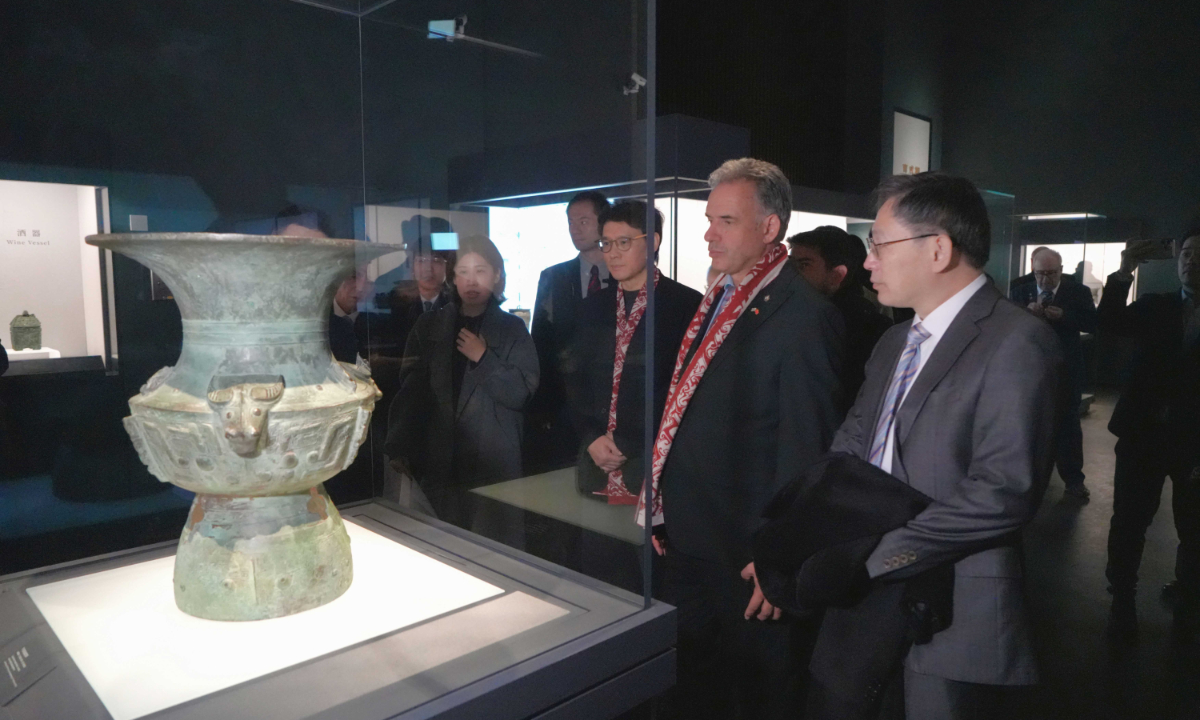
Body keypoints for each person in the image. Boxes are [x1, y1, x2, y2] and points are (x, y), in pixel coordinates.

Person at [817, 172, 1061, 718]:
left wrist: (874, 556)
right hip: (864, 593)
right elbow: (853, 443)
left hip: (950, 606)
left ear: (938, 250)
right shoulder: (893, 340)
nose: (868, 262)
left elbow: (1003, 493)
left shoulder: (1017, 341)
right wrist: (812, 537)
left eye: (879, 244)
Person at [640, 158, 844, 720]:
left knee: (756, 695)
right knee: (690, 687)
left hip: (746, 559)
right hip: (689, 538)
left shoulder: (803, 315)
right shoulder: (724, 297)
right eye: (710, 219)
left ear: (770, 228)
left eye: (725, 220)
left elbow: (807, 449)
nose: (709, 233)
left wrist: (780, 557)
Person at [386, 235, 539, 530]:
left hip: (491, 457)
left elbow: (520, 393)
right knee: (439, 542)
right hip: (439, 454)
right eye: (464, 272)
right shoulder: (430, 324)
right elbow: (410, 391)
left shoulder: (512, 329)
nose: (472, 281)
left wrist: (483, 358)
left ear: (496, 276)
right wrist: (399, 445)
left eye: (481, 271)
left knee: (491, 544)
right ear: (453, 278)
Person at [1100, 235, 1200, 645]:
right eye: (1188, 252)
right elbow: (1108, 323)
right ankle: (1122, 601)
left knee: (1194, 527)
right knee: (1128, 522)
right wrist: (1123, 274)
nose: (1191, 261)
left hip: (1194, 442)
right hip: (1143, 435)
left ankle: (1188, 600)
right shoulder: (1157, 304)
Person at [568, 200, 702, 504]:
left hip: (654, 463)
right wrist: (590, 438)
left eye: (624, 242)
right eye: (606, 243)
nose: (612, 253)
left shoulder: (686, 305)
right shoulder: (592, 307)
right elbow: (575, 380)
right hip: (595, 464)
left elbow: (684, 388)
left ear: (652, 241)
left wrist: (629, 442)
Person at [527, 191, 612, 473]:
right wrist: (541, 406)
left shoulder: (623, 273)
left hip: (610, 401)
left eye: (584, 221)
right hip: (562, 401)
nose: (575, 229)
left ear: (603, 222)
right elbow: (540, 341)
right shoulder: (554, 276)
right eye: (571, 222)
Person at [1010, 247, 1098, 500]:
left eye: (1050, 273)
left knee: (1068, 423)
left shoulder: (1077, 292)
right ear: (1033, 270)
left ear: (1061, 270)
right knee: (1027, 424)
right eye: (1039, 274)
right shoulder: (1020, 290)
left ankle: (1073, 480)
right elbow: (1008, 325)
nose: (1044, 279)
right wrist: (1025, 313)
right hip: (1029, 369)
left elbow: (1093, 323)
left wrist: (1065, 316)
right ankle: (1025, 480)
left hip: (1065, 369)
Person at [789, 226, 891, 413]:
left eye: (804, 265)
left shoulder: (862, 326)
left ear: (837, 275)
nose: (792, 274)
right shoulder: (799, 313)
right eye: (790, 265)